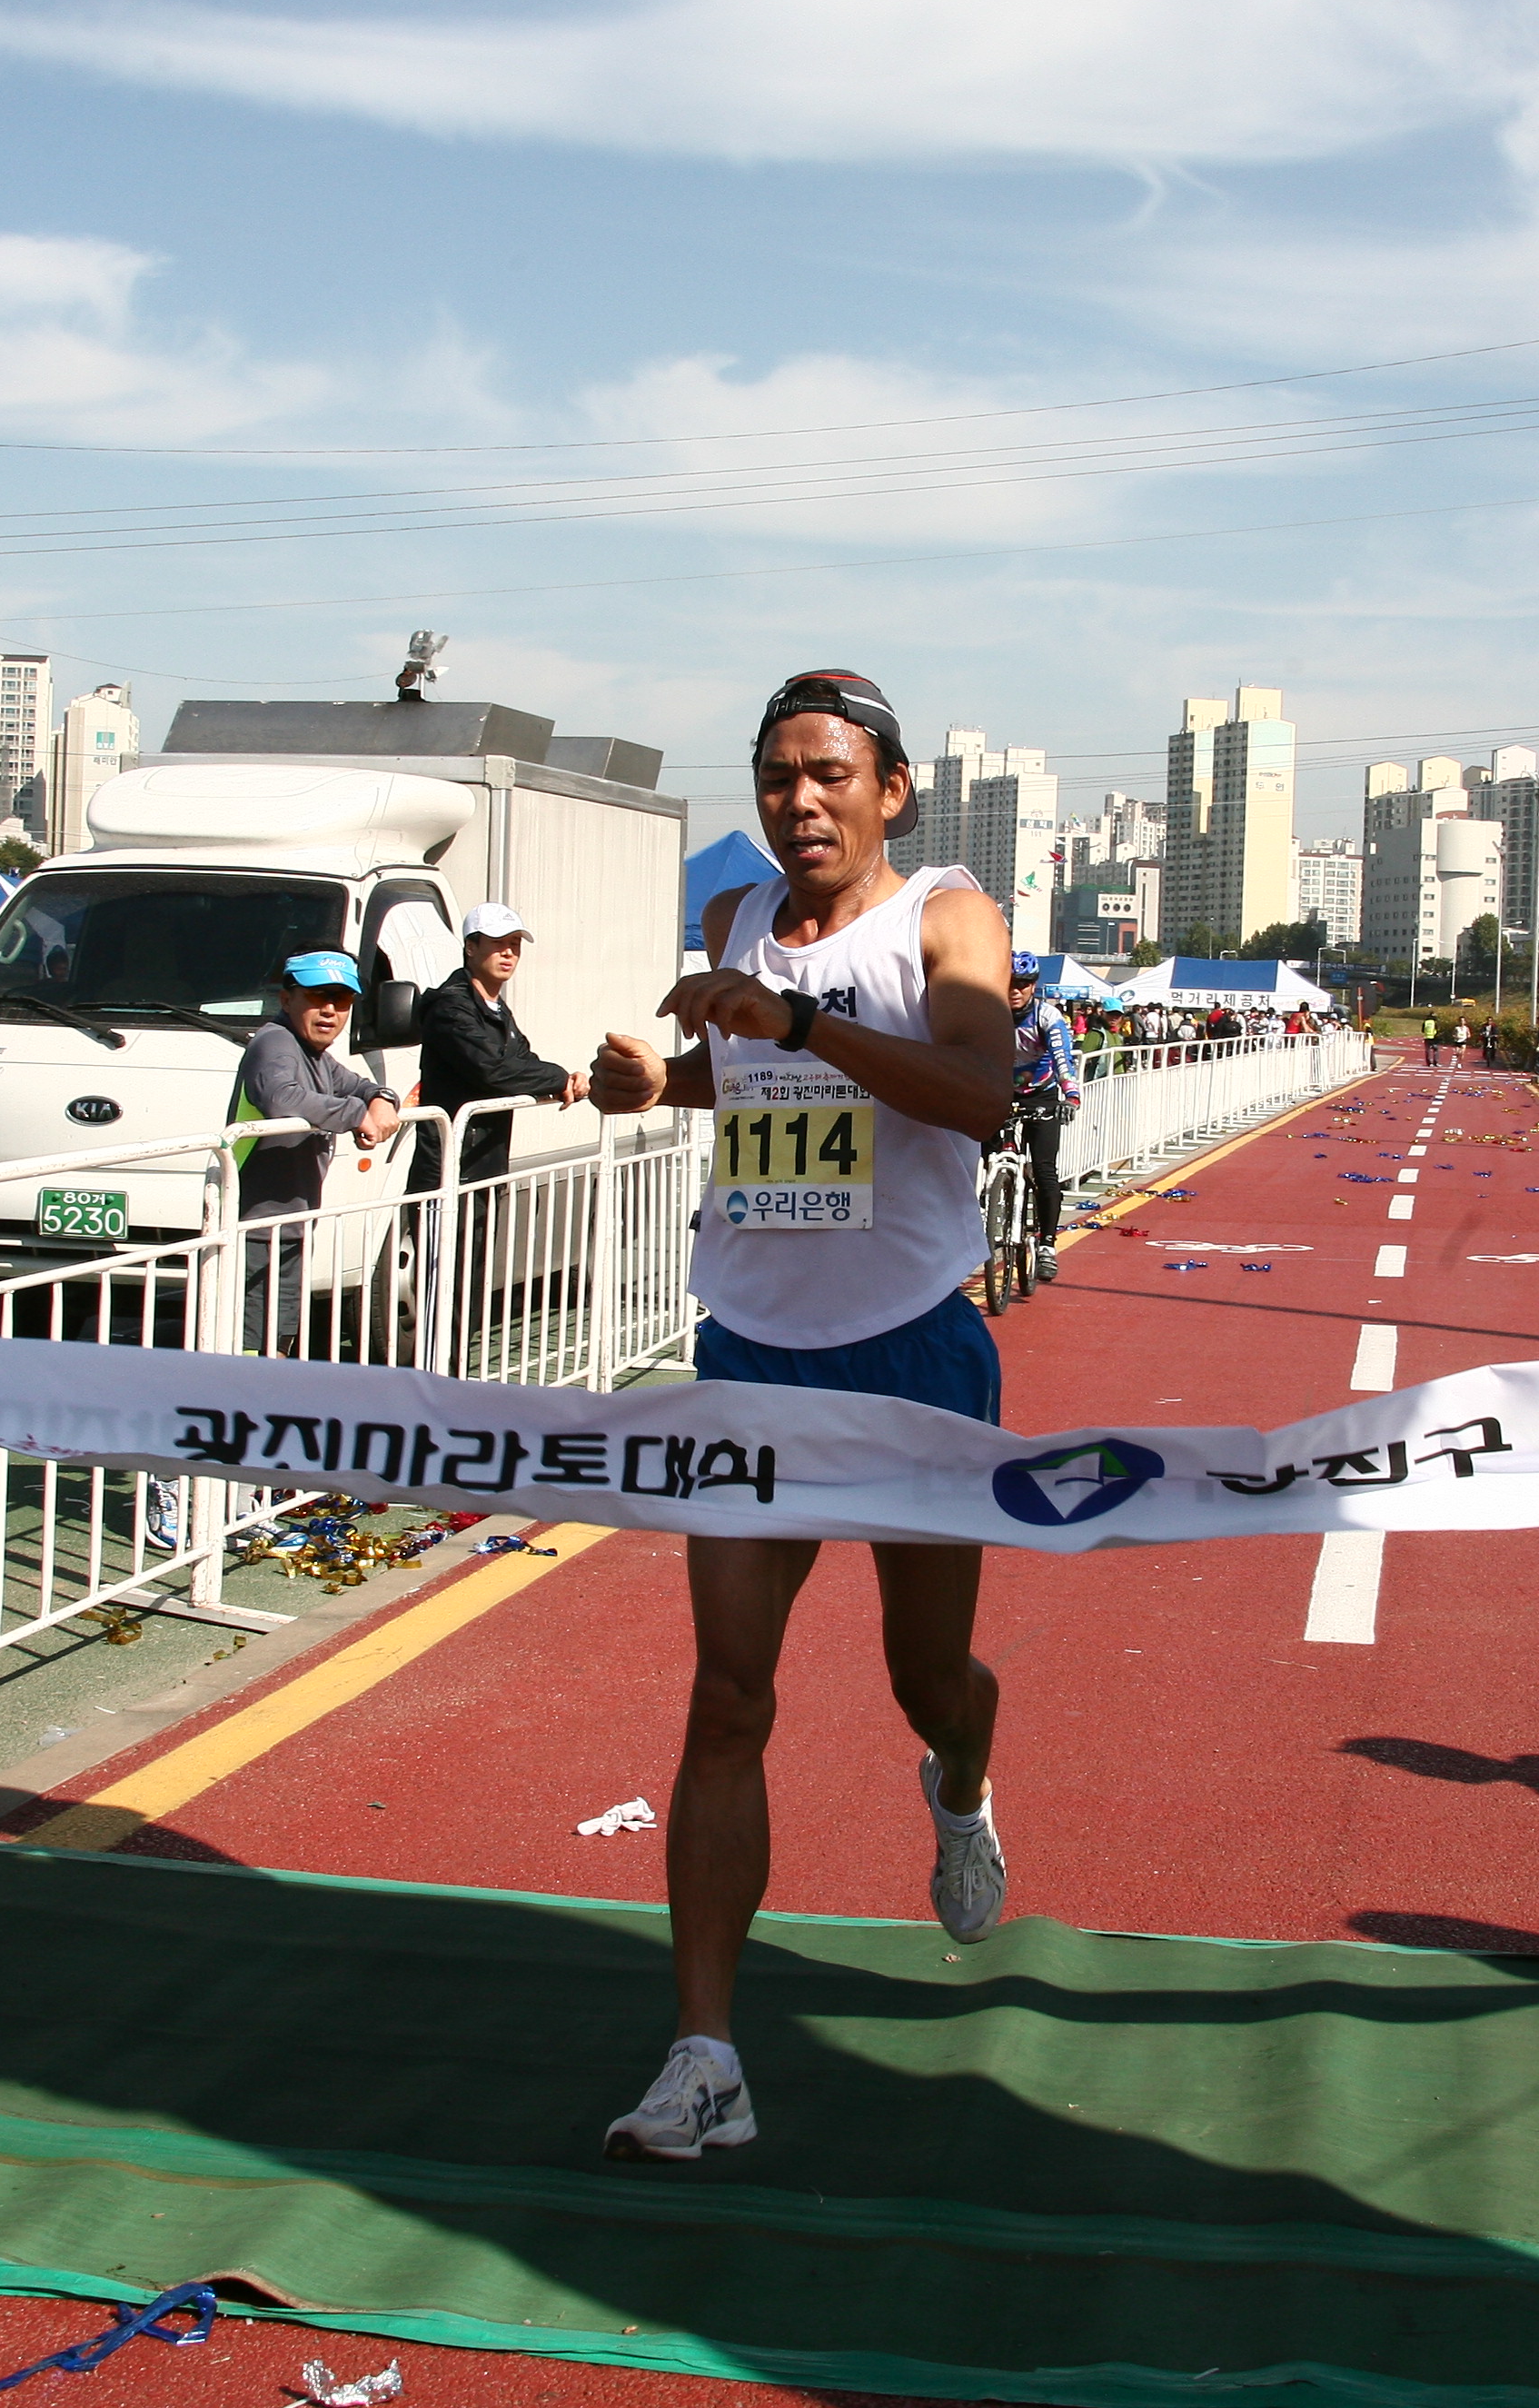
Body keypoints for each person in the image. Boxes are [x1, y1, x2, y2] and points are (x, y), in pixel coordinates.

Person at [588, 669, 1015, 2162]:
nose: (800, 799)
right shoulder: (733, 926)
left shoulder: (945, 915)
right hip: (753, 1348)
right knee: (726, 1696)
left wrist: (798, 1019)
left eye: (829, 772)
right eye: (775, 775)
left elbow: (980, 1094)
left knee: (924, 1672)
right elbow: (746, 1077)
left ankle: (960, 1776)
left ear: (890, 789)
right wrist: (656, 1079)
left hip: (910, 1349)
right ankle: (704, 2053)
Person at [233, 950, 404, 1355]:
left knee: (275, 1339)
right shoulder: (274, 1042)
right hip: (254, 1227)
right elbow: (279, 1098)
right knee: (251, 1347)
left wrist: (381, 1099)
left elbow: (364, 1086)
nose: (329, 1010)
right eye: (317, 996)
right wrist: (358, 1114)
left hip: (286, 1223)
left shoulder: (318, 1057)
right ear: (286, 998)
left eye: (341, 1000)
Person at [408, 901, 588, 1192]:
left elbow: (524, 1063)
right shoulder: (449, 1006)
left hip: (486, 1169)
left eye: (515, 944)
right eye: (497, 943)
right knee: (446, 1240)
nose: (508, 952)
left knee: (480, 1239)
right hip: (446, 1175)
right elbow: (492, 1070)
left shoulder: (498, 1010)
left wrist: (566, 1080)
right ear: (470, 948)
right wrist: (558, 1078)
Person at [1003, 955, 1080, 1279]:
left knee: (1046, 1171)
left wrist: (1071, 1095)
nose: (1015, 991)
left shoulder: (1047, 1016)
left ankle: (1047, 1243)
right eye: (1009, 984)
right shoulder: (989, 1012)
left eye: (1022, 984)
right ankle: (995, 1197)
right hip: (1001, 1090)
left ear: (1033, 986)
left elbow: (1063, 1056)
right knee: (983, 1148)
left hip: (1043, 1094)